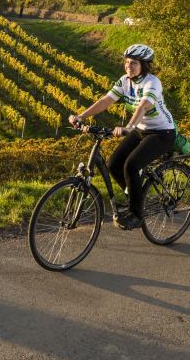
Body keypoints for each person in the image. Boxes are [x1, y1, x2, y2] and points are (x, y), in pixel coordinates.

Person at [69, 44, 176, 230]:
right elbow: (106, 100)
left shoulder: (152, 83)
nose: (128, 66)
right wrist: (81, 116)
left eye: (133, 63)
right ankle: (136, 196)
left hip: (162, 132)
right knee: (113, 164)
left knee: (131, 165)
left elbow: (143, 106)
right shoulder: (125, 81)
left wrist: (128, 127)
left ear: (144, 65)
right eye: (126, 62)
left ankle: (136, 214)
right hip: (140, 129)